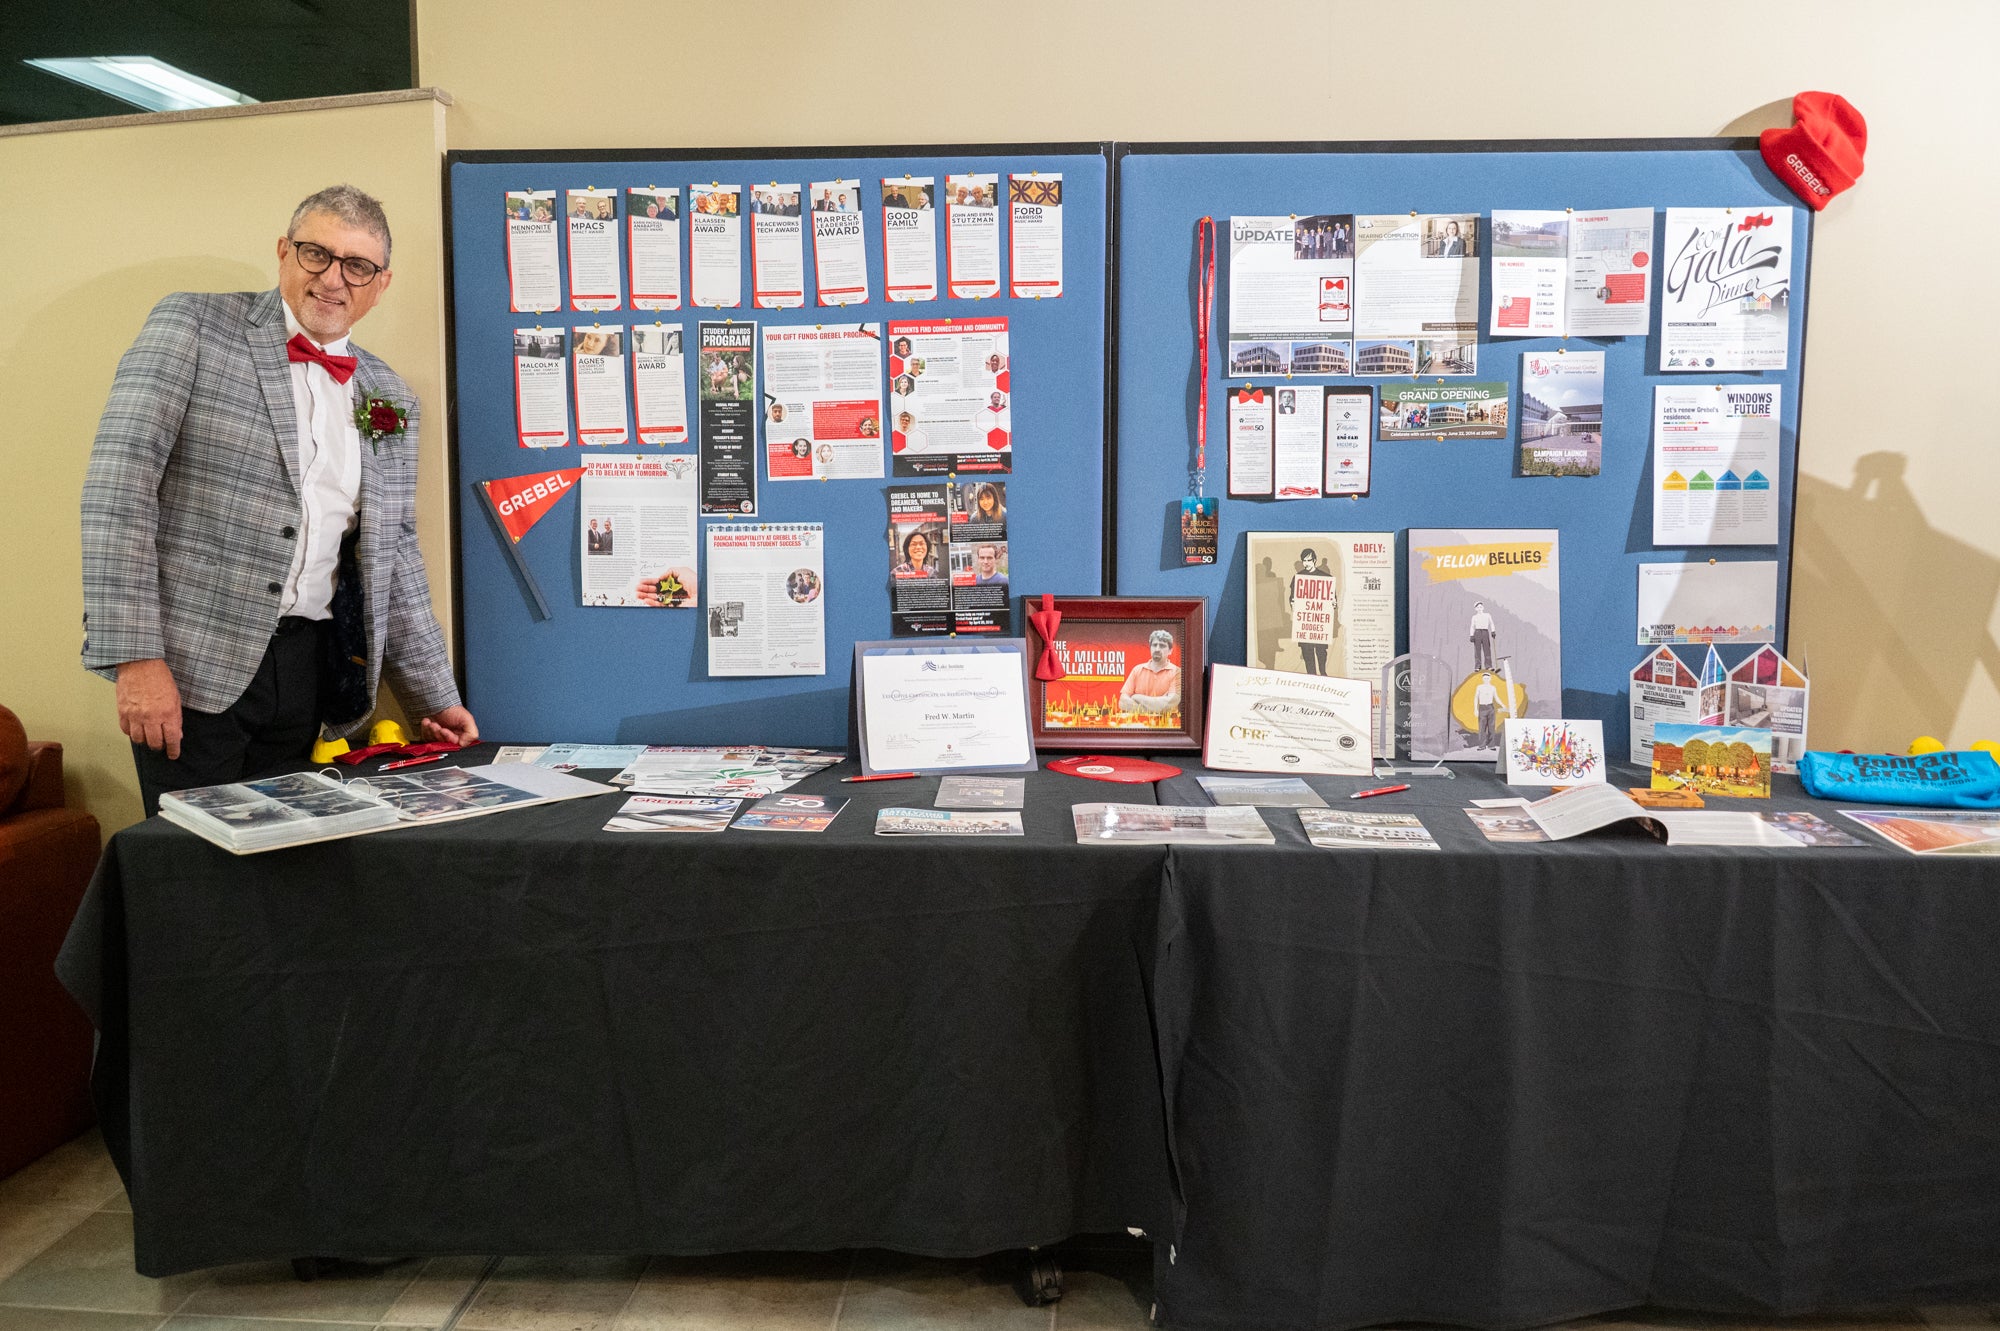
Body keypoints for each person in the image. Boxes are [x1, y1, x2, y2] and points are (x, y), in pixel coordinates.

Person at [81, 184, 476, 815]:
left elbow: (394, 555)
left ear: (380, 284)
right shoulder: (194, 325)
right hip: (190, 671)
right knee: (194, 861)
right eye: (317, 254)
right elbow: (118, 491)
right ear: (284, 252)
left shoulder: (389, 394)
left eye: (357, 266)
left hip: (308, 674)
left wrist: (434, 696)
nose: (333, 279)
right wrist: (137, 659)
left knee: (286, 859)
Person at [1288, 548, 1333, 675]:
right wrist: (1293, 603)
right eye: (1304, 561)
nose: (1306, 563)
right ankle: (1311, 676)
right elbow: (1292, 597)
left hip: (1319, 623)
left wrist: (1333, 603)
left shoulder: (1325, 577)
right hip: (1305, 622)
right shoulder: (1298, 578)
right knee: (1307, 652)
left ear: (1315, 560)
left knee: (1321, 651)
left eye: (1309, 560)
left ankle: (1323, 673)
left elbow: (1331, 598)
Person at [1119, 630, 1182, 717]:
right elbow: (1123, 702)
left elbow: (1169, 704)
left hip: (1166, 724)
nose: (1157, 649)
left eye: (1162, 646)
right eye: (1154, 645)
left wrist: (1137, 697)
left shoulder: (1177, 672)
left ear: (1170, 651)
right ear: (1150, 648)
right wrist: (1155, 709)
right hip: (1138, 723)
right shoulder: (1137, 670)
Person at [1474, 671, 1504, 749]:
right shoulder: (1479, 687)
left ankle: (1491, 745)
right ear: (1482, 679)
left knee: (1491, 727)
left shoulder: (1493, 687)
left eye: (1487, 678)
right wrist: (1475, 709)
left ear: (1490, 679)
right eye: (1484, 678)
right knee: (1482, 727)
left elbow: (1496, 698)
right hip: (1482, 708)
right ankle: (1482, 746)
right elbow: (1476, 697)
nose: (1486, 680)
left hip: (1490, 707)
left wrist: (1503, 705)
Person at [1469, 601, 1497, 670]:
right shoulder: (1474, 617)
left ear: (1483, 607)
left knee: (1487, 649)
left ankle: (1488, 666)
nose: (1479, 608)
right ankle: (1478, 666)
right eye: (1478, 607)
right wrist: (1471, 635)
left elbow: (1491, 623)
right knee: (1477, 650)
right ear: (1475, 609)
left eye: (1481, 607)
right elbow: (1472, 626)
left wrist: (1493, 631)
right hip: (1477, 632)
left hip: (1485, 632)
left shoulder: (1487, 615)